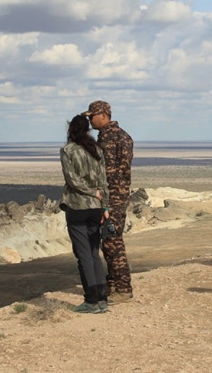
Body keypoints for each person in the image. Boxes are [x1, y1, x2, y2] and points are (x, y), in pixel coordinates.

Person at [83, 100, 135, 303]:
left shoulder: (111, 138)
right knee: (109, 241)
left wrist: (102, 198)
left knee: (112, 241)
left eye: (91, 116)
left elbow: (109, 173)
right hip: (117, 196)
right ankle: (113, 285)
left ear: (103, 115)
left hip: (112, 197)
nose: (89, 120)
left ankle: (123, 288)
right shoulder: (119, 135)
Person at [59, 115, 110, 314]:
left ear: (70, 129)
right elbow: (103, 180)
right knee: (94, 253)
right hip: (96, 208)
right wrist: (105, 205)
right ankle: (102, 298)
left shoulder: (68, 150)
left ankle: (91, 301)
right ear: (87, 129)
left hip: (78, 207)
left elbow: (72, 180)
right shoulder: (96, 149)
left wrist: (91, 192)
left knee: (84, 256)